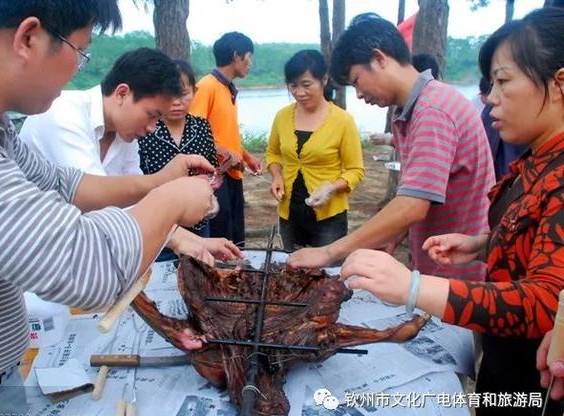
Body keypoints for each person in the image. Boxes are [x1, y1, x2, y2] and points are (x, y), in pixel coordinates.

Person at [0, 1, 216, 416]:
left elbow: (65, 184)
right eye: (79, 51)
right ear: (29, 37)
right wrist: (171, 200)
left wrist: (158, 183)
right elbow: (89, 267)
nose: (80, 70)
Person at [340, 8, 564, 416]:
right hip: (503, 354)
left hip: (534, 371)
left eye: (503, 81)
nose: (491, 97)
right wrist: (484, 241)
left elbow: (544, 301)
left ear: (559, 83)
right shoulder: (537, 159)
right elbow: (537, 231)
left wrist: (411, 287)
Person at [289, 13, 495, 283]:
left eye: (356, 81)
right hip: (439, 265)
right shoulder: (417, 109)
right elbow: (422, 192)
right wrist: (394, 234)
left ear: (379, 59)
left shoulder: (433, 110)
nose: (360, 95)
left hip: (458, 275)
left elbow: (412, 206)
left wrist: (329, 252)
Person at [21, 50, 239, 264]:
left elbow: (136, 205)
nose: (153, 128)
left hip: (79, 256)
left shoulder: (125, 137)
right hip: (39, 259)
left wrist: (195, 241)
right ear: (122, 93)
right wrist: (168, 187)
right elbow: (96, 202)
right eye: (152, 115)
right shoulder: (63, 115)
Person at [265, 50, 364, 251]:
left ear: (324, 79)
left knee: (327, 274)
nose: (299, 92)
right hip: (289, 212)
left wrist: (331, 187)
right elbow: (273, 153)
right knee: (292, 270)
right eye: (293, 86)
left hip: (328, 215)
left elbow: (356, 170)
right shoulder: (282, 116)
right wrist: (276, 176)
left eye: (306, 85)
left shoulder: (343, 121)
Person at [137, 60, 223, 260]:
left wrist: (212, 186)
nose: (176, 102)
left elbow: (211, 168)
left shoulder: (202, 127)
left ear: (194, 91)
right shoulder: (145, 130)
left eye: (183, 94)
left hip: (199, 220)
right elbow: (137, 178)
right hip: (156, 223)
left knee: (199, 270)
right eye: (169, 95)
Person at [190, 31, 263, 247]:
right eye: (249, 57)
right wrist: (223, 153)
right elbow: (193, 133)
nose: (250, 63)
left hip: (233, 174)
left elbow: (223, 133)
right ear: (236, 55)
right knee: (220, 236)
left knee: (236, 236)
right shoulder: (207, 86)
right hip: (215, 176)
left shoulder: (227, 88)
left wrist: (246, 156)